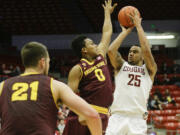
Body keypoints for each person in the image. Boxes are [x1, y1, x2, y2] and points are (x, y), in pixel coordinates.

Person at [0, 42, 102, 135]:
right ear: (42, 62)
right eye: (48, 62)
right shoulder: (55, 85)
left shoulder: (3, 86)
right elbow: (92, 115)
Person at [62, 0, 117, 135]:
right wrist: (81, 111)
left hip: (104, 112)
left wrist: (107, 14)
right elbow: (68, 96)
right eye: (91, 44)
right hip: (87, 113)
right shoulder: (77, 69)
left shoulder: (101, 56)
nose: (95, 45)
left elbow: (107, 33)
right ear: (84, 50)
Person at [105, 10, 157, 135]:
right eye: (130, 51)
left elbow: (146, 49)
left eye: (135, 51)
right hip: (117, 116)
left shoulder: (150, 69)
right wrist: (125, 32)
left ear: (142, 56)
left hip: (137, 118)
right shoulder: (121, 66)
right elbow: (111, 51)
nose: (131, 53)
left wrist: (138, 26)